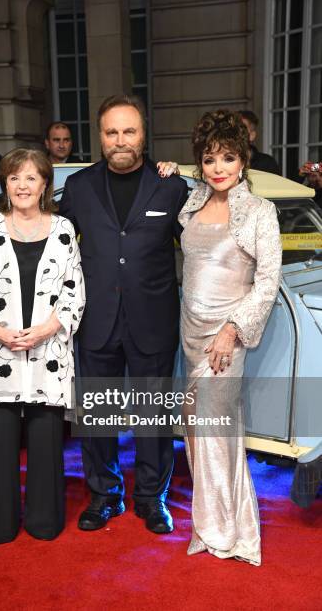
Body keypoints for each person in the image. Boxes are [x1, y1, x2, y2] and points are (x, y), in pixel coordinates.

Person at [60, 94, 189, 534]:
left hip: (153, 318)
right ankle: (104, 495)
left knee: (154, 416)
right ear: (100, 137)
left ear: (143, 134)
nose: (120, 141)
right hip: (95, 319)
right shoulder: (78, 186)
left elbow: (205, 238)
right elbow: (53, 244)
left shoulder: (171, 186)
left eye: (129, 131)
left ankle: (153, 499)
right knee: (97, 416)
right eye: (111, 132)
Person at [0, 148, 85, 544]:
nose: (22, 185)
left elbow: (74, 291)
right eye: (14, 178)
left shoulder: (64, 229)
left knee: (46, 440)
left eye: (31, 178)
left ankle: (43, 522)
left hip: (48, 352)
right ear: (5, 184)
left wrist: (48, 328)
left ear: (45, 184)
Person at [178, 109, 282, 565]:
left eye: (228, 157)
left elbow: (268, 281)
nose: (218, 168)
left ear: (244, 161)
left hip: (226, 339)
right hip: (190, 333)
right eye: (209, 158)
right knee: (197, 433)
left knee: (218, 429)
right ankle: (208, 523)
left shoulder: (260, 211)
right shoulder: (193, 203)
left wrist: (233, 331)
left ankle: (230, 531)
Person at [238, 110, 281, 174]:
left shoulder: (267, 164)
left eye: (242, 129)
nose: (235, 133)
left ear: (252, 135)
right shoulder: (223, 162)